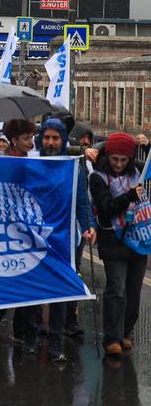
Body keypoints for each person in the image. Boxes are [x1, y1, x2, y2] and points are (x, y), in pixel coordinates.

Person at [34, 117, 96, 361]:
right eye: (47, 138)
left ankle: (56, 344)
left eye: (55, 138)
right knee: (36, 287)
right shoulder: (32, 164)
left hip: (63, 237)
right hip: (35, 236)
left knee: (60, 291)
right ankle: (33, 334)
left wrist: (88, 225)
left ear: (62, 141)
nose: (50, 142)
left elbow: (81, 199)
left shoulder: (72, 166)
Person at [0, 119, 40, 351]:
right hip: (4, 228)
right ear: (14, 140)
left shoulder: (36, 161)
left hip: (29, 227)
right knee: (5, 274)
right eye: (26, 138)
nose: (31, 142)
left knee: (26, 277)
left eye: (32, 138)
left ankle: (22, 329)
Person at [89, 132, 147, 357]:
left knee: (133, 292)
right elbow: (105, 209)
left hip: (138, 239)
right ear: (108, 156)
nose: (119, 164)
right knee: (117, 289)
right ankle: (111, 337)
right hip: (113, 239)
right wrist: (129, 197)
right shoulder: (98, 177)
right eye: (115, 159)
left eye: (124, 160)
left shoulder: (137, 171)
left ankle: (126, 332)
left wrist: (148, 144)